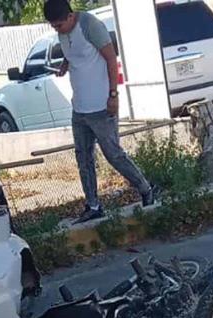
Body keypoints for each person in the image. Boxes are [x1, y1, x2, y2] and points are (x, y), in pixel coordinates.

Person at [44, 0, 155, 224]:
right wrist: (66, 64)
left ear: (70, 16)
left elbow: (111, 59)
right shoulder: (63, 32)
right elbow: (74, 50)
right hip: (80, 108)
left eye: (59, 26)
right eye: (53, 27)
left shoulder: (90, 25)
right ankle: (93, 205)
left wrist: (113, 95)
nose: (57, 30)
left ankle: (146, 188)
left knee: (113, 154)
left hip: (102, 106)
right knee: (83, 157)